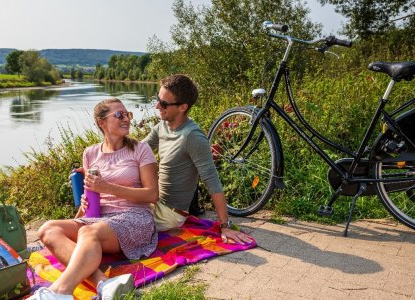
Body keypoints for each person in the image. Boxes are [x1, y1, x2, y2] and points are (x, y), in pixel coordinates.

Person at [28, 98, 159, 300]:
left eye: (127, 114)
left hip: (135, 218)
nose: (126, 119)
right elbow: (91, 200)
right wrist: (83, 206)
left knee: (88, 232)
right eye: (119, 115)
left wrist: (108, 187)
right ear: (101, 122)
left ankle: (59, 292)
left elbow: (152, 194)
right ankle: (103, 284)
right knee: (47, 229)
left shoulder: (140, 149)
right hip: (100, 220)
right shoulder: (90, 154)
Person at [143, 74, 252, 245]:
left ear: (183, 107)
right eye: (158, 99)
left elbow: (212, 180)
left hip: (170, 214)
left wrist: (225, 225)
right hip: (154, 202)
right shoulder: (162, 126)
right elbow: (136, 152)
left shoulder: (192, 137)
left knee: (117, 221)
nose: (157, 106)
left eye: (164, 103)